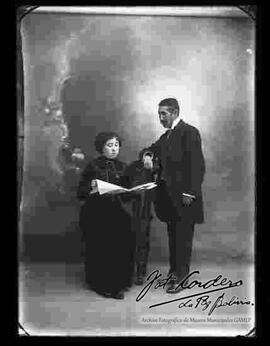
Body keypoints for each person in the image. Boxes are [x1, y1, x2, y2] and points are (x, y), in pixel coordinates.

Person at [140, 98, 205, 294]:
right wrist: (148, 156)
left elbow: (197, 166)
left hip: (185, 197)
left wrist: (190, 193)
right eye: (159, 114)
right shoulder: (166, 136)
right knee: (173, 237)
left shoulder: (189, 132)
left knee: (183, 239)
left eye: (164, 114)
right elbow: (149, 148)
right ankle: (174, 274)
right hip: (168, 198)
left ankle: (181, 278)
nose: (160, 118)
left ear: (175, 112)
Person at [77, 132, 135, 300]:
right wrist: (91, 186)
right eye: (110, 145)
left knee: (122, 238)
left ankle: (119, 282)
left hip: (116, 210)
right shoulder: (93, 166)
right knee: (101, 244)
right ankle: (101, 284)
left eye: (116, 145)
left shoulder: (124, 167)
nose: (113, 148)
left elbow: (126, 195)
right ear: (101, 147)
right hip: (96, 211)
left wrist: (133, 191)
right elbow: (80, 193)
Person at [124, 157, 159, 285]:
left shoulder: (148, 167)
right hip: (126, 209)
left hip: (142, 211)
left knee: (141, 241)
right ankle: (127, 272)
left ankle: (140, 273)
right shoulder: (129, 167)